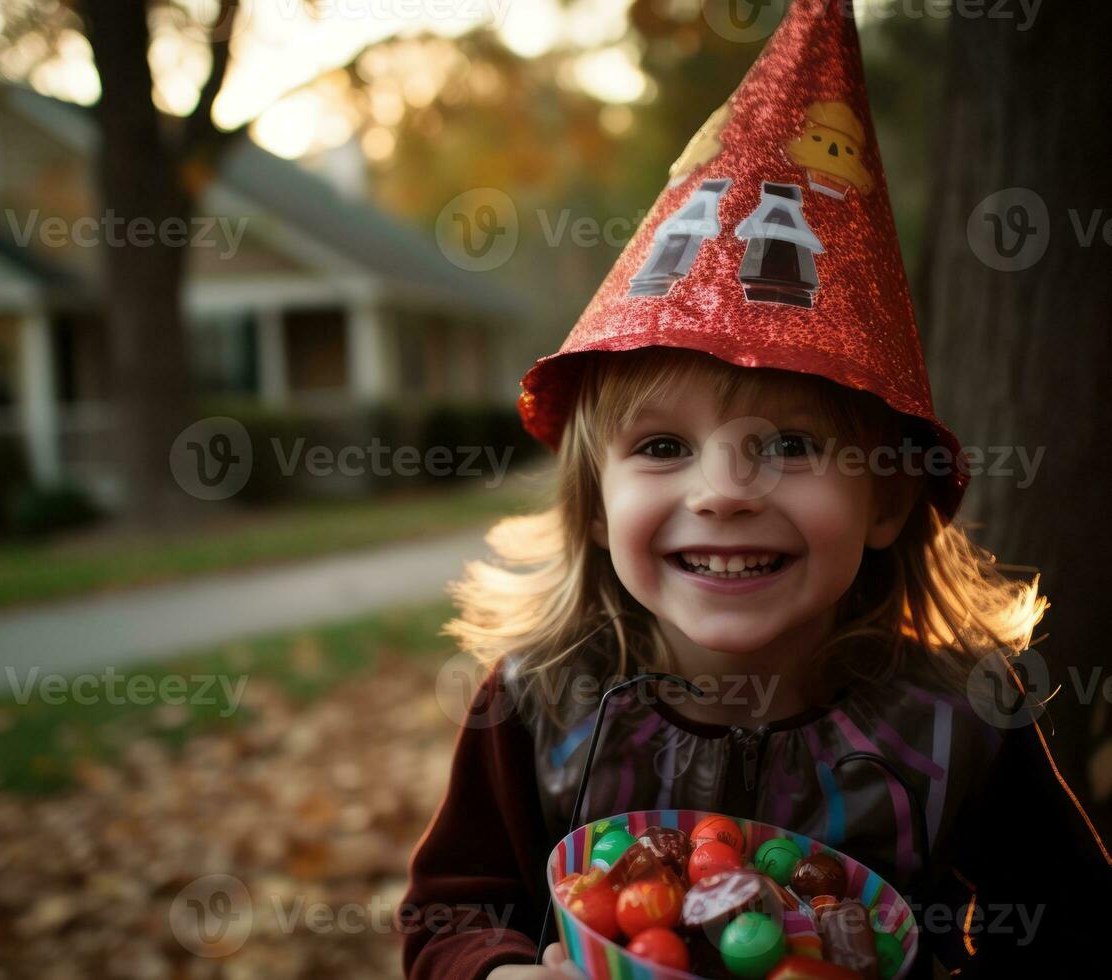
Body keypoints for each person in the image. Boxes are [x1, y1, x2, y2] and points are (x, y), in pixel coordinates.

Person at [395, 1, 1110, 977]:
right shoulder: (539, 702)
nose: (722, 490)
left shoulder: (960, 723)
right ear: (596, 505)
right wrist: (501, 969)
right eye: (658, 445)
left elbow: (1072, 925)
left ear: (888, 499)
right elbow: (451, 907)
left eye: (786, 444)